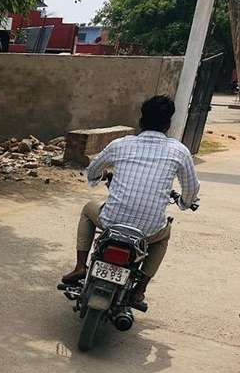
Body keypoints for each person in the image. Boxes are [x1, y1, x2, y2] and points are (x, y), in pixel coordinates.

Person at [61, 94, 200, 306]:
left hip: (112, 221)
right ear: (168, 124)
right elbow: (191, 188)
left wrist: (99, 177)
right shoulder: (179, 151)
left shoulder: (120, 145)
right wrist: (185, 202)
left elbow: (92, 171)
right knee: (163, 236)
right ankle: (140, 289)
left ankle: (81, 266)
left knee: (88, 210)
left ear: (141, 120)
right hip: (148, 230)